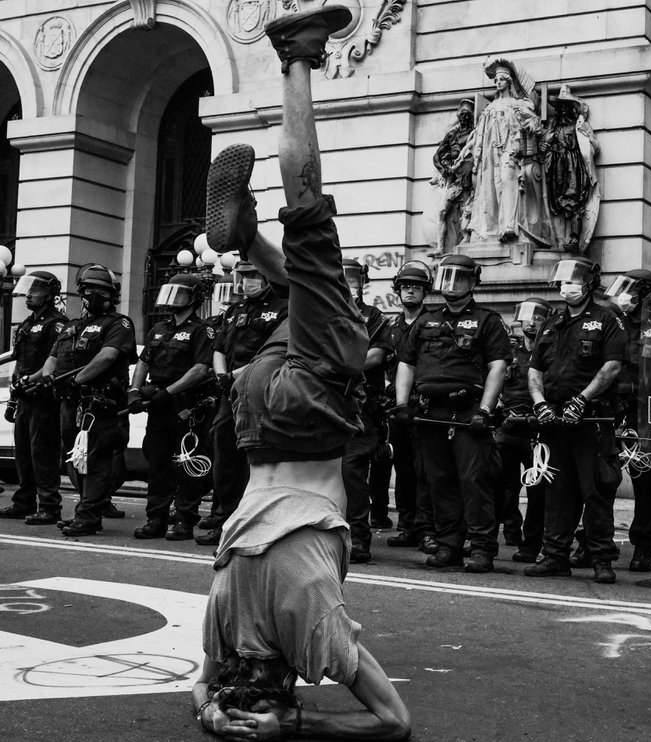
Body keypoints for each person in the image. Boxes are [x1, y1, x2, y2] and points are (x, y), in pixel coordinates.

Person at [192, 7, 410, 739]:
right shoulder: (219, 626)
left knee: (309, 207)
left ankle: (295, 58)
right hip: (254, 416)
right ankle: (248, 240)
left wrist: (302, 727)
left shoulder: (310, 627)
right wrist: (215, 713)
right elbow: (200, 688)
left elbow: (393, 723)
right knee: (308, 290)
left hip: (308, 408)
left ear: (287, 686)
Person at [393, 253, 511, 573]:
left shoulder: (488, 320)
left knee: (474, 481)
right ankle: (449, 545)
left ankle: (483, 548)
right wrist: (402, 404)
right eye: (447, 276)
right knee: (439, 481)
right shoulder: (425, 320)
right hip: (431, 413)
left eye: (460, 277)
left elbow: (497, 367)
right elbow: (407, 363)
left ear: (473, 282)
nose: (452, 283)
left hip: (469, 413)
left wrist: (485, 410)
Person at [524, 256, 625, 584]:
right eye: (563, 282)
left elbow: (611, 366)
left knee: (595, 490)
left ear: (589, 284)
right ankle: (555, 555)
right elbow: (535, 369)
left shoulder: (607, 319)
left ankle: (601, 559)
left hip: (591, 422)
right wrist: (540, 403)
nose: (566, 288)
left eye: (573, 282)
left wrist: (583, 400)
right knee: (557, 491)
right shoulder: (552, 321)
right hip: (553, 421)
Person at [197, 260, 289, 546]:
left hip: (262, 390)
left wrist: (236, 375)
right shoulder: (237, 309)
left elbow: (275, 353)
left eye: (253, 276)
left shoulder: (284, 307)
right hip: (231, 391)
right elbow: (219, 348)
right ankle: (226, 519)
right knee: (224, 451)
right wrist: (223, 376)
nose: (247, 281)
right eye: (244, 276)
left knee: (257, 457)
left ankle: (257, 522)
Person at [41, 264, 136, 538]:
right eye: (88, 290)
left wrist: (78, 379)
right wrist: (49, 377)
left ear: (111, 294)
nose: (92, 294)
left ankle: (89, 515)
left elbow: (107, 357)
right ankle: (85, 508)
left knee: (95, 460)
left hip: (100, 403)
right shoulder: (71, 326)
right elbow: (52, 358)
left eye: (99, 290)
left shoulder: (119, 323)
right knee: (75, 458)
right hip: (70, 403)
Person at [127, 273, 215, 540]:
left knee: (186, 464)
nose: (173, 299)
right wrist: (133, 391)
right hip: (158, 405)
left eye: (180, 294)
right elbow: (144, 362)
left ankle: (185, 520)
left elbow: (200, 369)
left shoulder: (202, 330)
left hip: (186, 405)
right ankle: (156, 518)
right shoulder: (159, 329)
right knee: (158, 463)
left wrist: (169, 392)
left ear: (194, 298)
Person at [604, 268, 651, 573]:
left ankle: (645, 546)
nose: (623, 294)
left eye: (631, 289)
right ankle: (595, 541)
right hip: (609, 408)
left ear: (647, 294)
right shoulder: (612, 322)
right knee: (600, 478)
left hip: (643, 412)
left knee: (646, 482)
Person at [0, 272, 67, 524]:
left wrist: (32, 381)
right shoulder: (27, 324)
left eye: (35, 291)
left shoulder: (57, 324)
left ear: (50, 295)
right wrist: (13, 397)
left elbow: (56, 361)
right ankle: (23, 501)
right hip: (24, 397)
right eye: (29, 290)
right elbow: (19, 362)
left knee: (43, 453)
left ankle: (49, 506)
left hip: (44, 397)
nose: (28, 295)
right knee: (23, 453)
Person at [382, 261, 437, 554]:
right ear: (398, 291)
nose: (410, 292)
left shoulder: (434, 323)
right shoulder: (390, 326)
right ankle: (408, 525)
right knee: (402, 468)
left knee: (426, 469)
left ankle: (429, 529)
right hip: (397, 407)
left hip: (425, 406)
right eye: (405, 287)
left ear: (425, 292)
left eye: (416, 287)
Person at [465, 58, 548, 245]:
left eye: (501, 79)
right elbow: (479, 134)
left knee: (507, 180)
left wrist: (532, 124)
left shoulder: (518, 104)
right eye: (495, 80)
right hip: (489, 153)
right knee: (488, 187)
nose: (497, 83)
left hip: (511, 149)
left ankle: (509, 225)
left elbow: (535, 122)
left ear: (509, 81)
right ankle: (488, 228)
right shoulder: (489, 108)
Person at [341, 257, 392, 564]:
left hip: (359, 406)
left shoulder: (373, 317)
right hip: (323, 403)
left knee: (351, 472)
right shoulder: (321, 313)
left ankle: (359, 538)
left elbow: (376, 356)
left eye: (353, 279)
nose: (348, 285)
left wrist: (339, 368)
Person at [497, 297, 552, 562]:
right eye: (528, 318)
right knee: (500, 484)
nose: (532, 324)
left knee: (537, 490)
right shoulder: (510, 352)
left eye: (539, 319)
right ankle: (509, 530)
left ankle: (531, 543)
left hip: (535, 429)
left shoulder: (549, 352)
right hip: (508, 425)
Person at [541, 85, 599, 252]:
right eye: (560, 107)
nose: (563, 110)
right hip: (556, 166)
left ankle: (574, 238)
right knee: (557, 201)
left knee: (573, 199)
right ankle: (558, 238)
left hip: (573, 165)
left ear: (572, 109)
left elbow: (595, 146)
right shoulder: (554, 128)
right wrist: (544, 145)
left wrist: (586, 138)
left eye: (566, 107)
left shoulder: (580, 125)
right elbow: (544, 144)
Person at [428, 99, 475, 254]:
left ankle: (468, 244)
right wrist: (444, 169)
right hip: (453, 181)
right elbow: (436, 157)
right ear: (458, 115)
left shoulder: (474, 134)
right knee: (442, 212)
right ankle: (441, 248)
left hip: (468, 180)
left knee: (467, 213)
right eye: (462, 114)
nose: (464, 117)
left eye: (467, 114)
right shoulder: (452, 135)